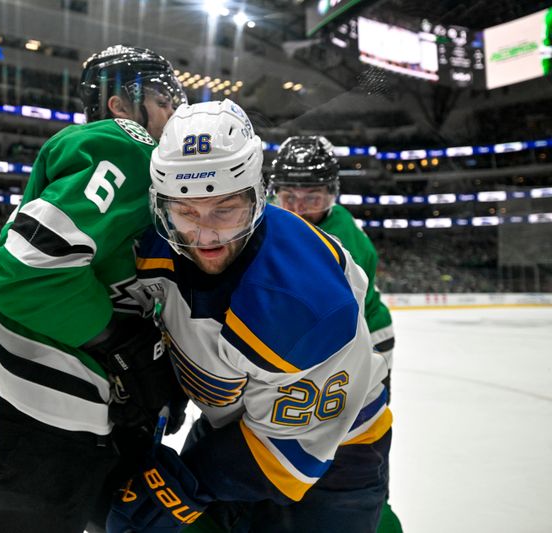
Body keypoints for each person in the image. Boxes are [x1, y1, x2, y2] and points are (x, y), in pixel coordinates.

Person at [0, 45, 187, 533]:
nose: (175, 115)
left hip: (69, 419)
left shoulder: (158, 192)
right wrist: (119, 343)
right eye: (164, 100)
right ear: (121, 106)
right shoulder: (128, 144)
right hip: (13, 394)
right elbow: (31, 274)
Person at [108, 100, 392, 533]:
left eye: (225, 209)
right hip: (235, 418)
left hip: (336, 452)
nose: (204, 236)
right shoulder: (156, 240)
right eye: (186, 211)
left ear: (258, 197)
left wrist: (183, 484)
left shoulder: (305, 306)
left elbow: (289, 455)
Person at [268, 135, 401, 533]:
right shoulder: (288, 224)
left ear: (332, 195)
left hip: (368, 347)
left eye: (312, 199)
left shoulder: (339, 240)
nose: (299, 210)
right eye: (289, 197)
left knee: (353, 452)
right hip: (345, 344)